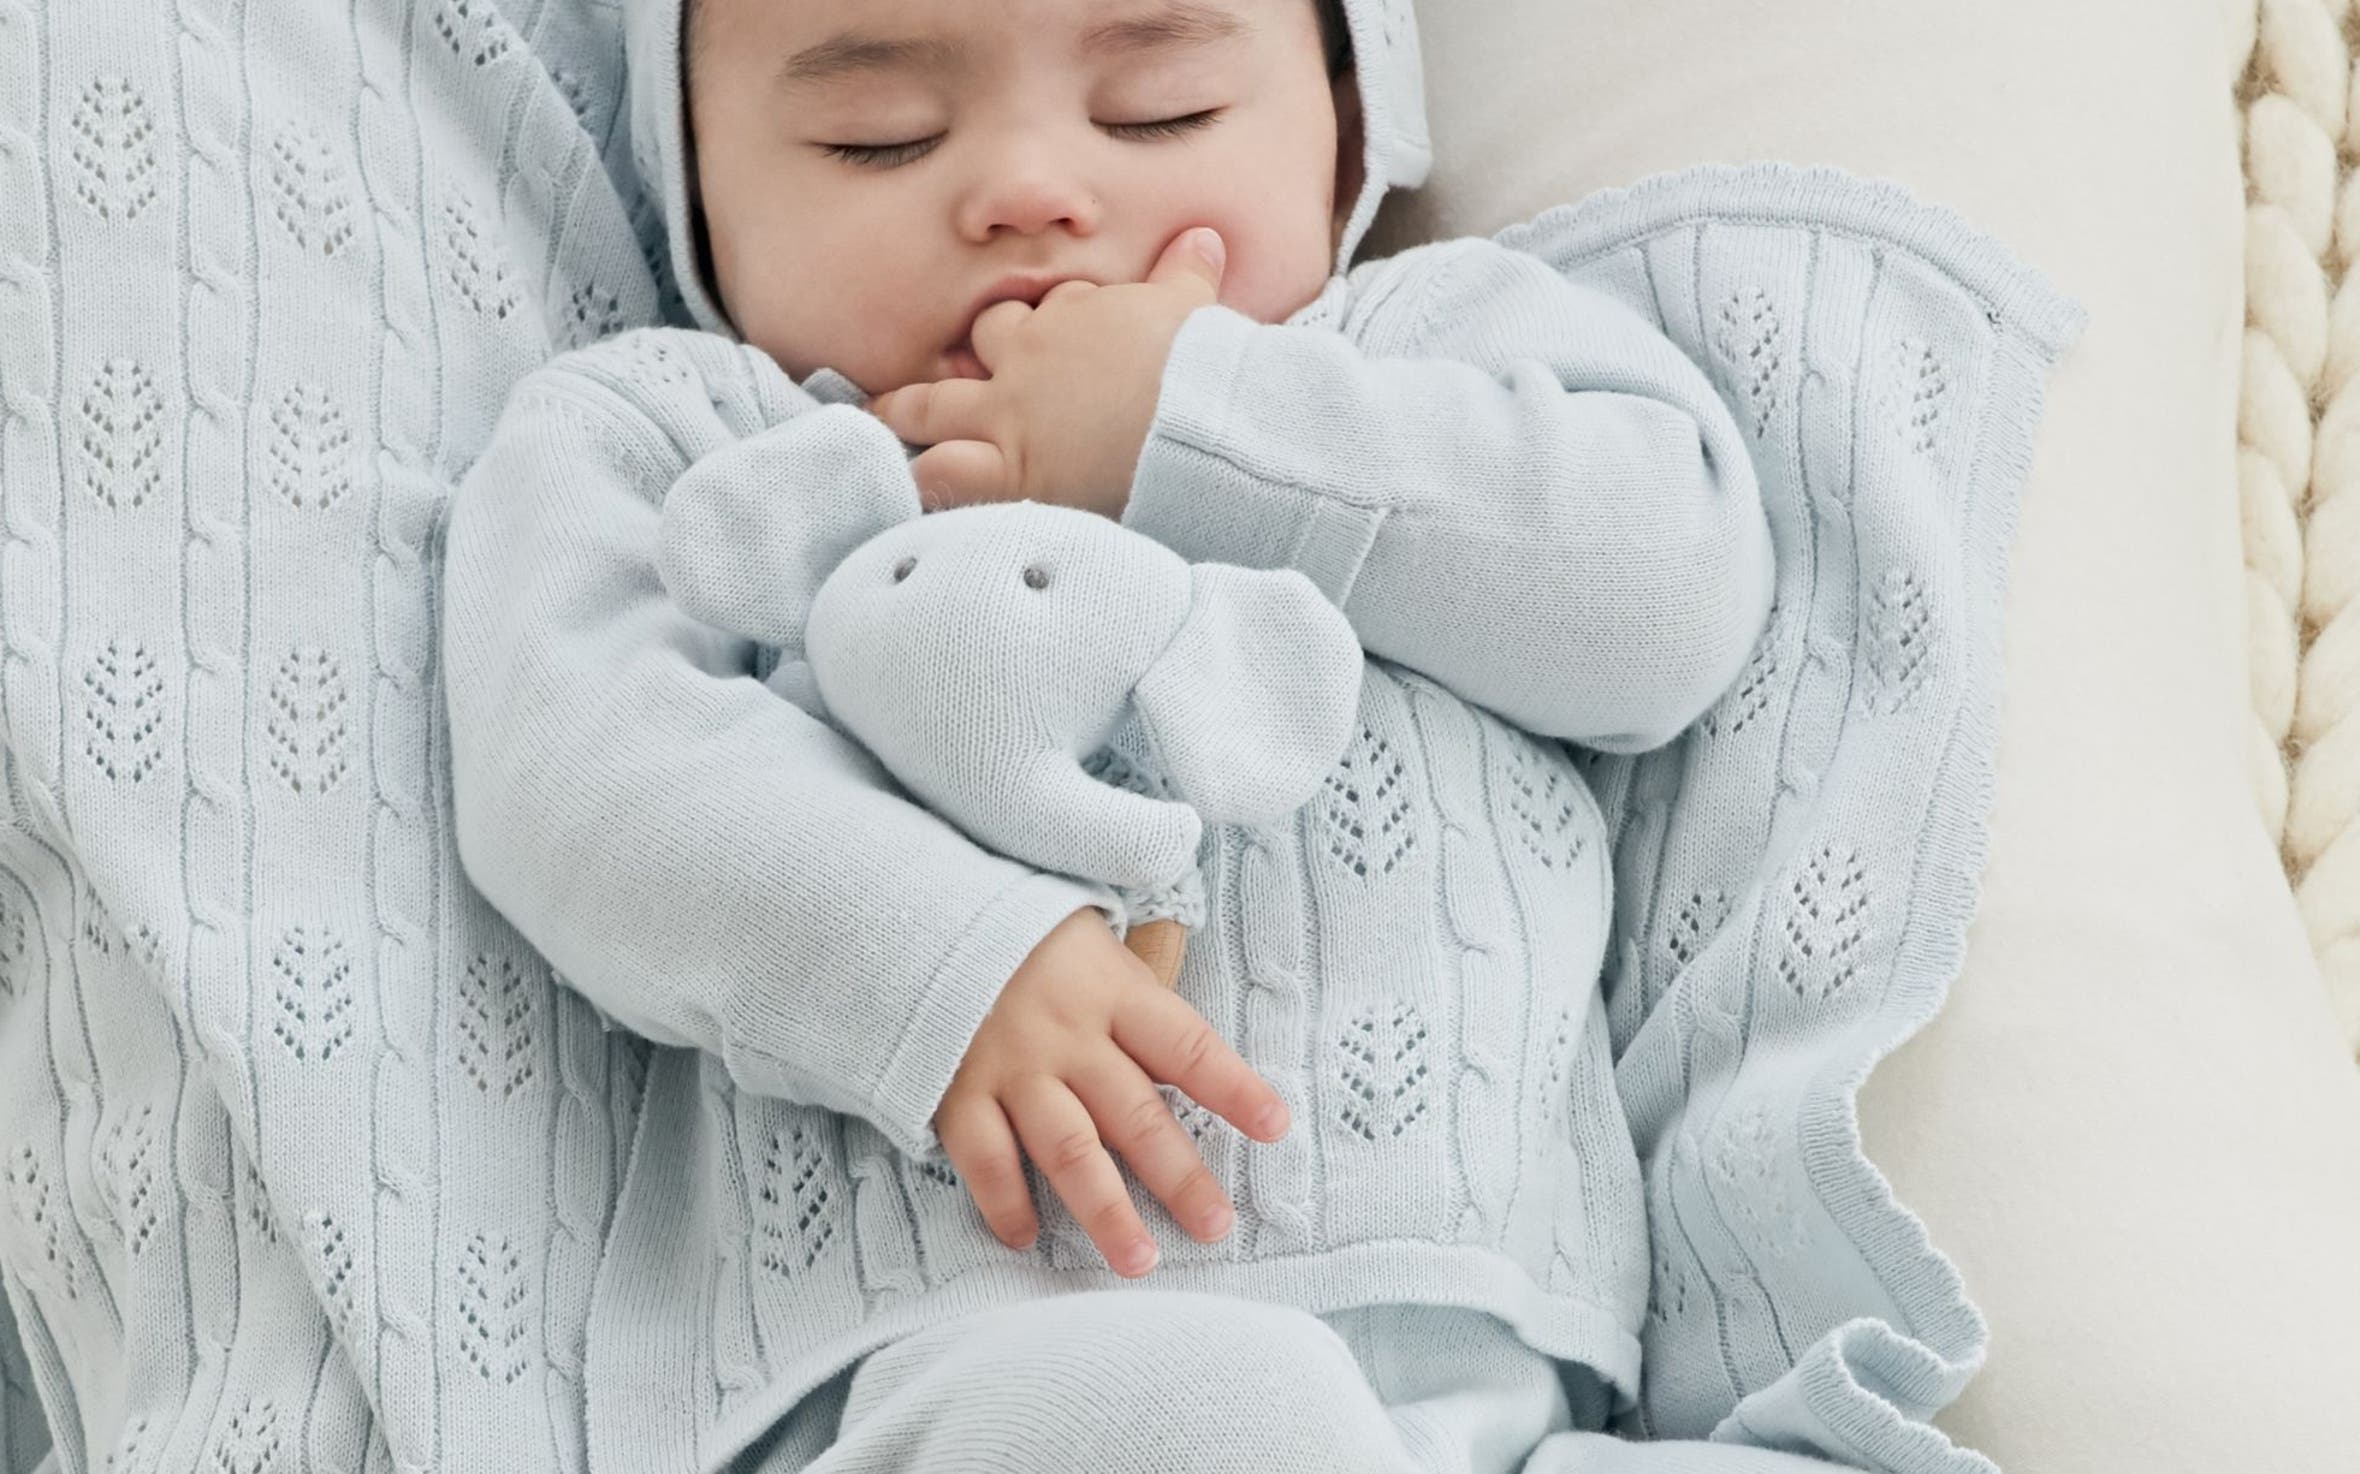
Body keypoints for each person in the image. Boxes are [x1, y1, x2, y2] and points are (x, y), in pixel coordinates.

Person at [437, 0, 1825, 1470]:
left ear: (1347, 126)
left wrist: (1196, 417)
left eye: (1158, 108)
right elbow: (579, 766)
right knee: (1194, 1411)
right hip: (953, 1388)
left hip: (1515, 1393)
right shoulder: (690, 441)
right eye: (878, 138)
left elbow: (1665, 601)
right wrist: (943, 964)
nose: (1030, 191)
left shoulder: (1424, 355)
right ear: (696, 175)